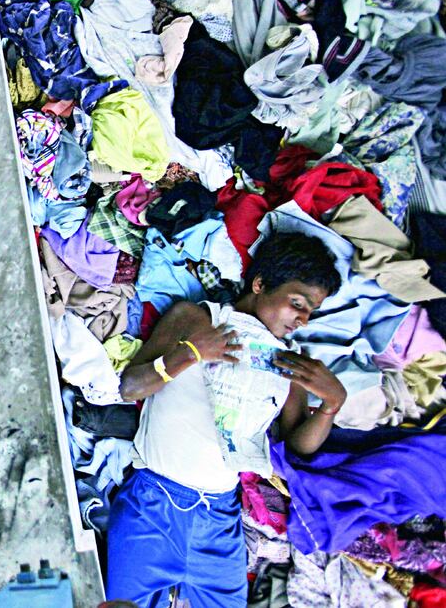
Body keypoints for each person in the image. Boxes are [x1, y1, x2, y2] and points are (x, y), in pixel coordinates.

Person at [105, 232, 347, 608]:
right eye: (297, 303)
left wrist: (332, 403)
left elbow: (295, 448)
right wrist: (190, 353)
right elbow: (130, 388)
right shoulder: (197, 319)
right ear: (260, 284)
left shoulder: (288, 361)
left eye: (310, 311)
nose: (301, 319)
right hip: (153, 504)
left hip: (219, 518)